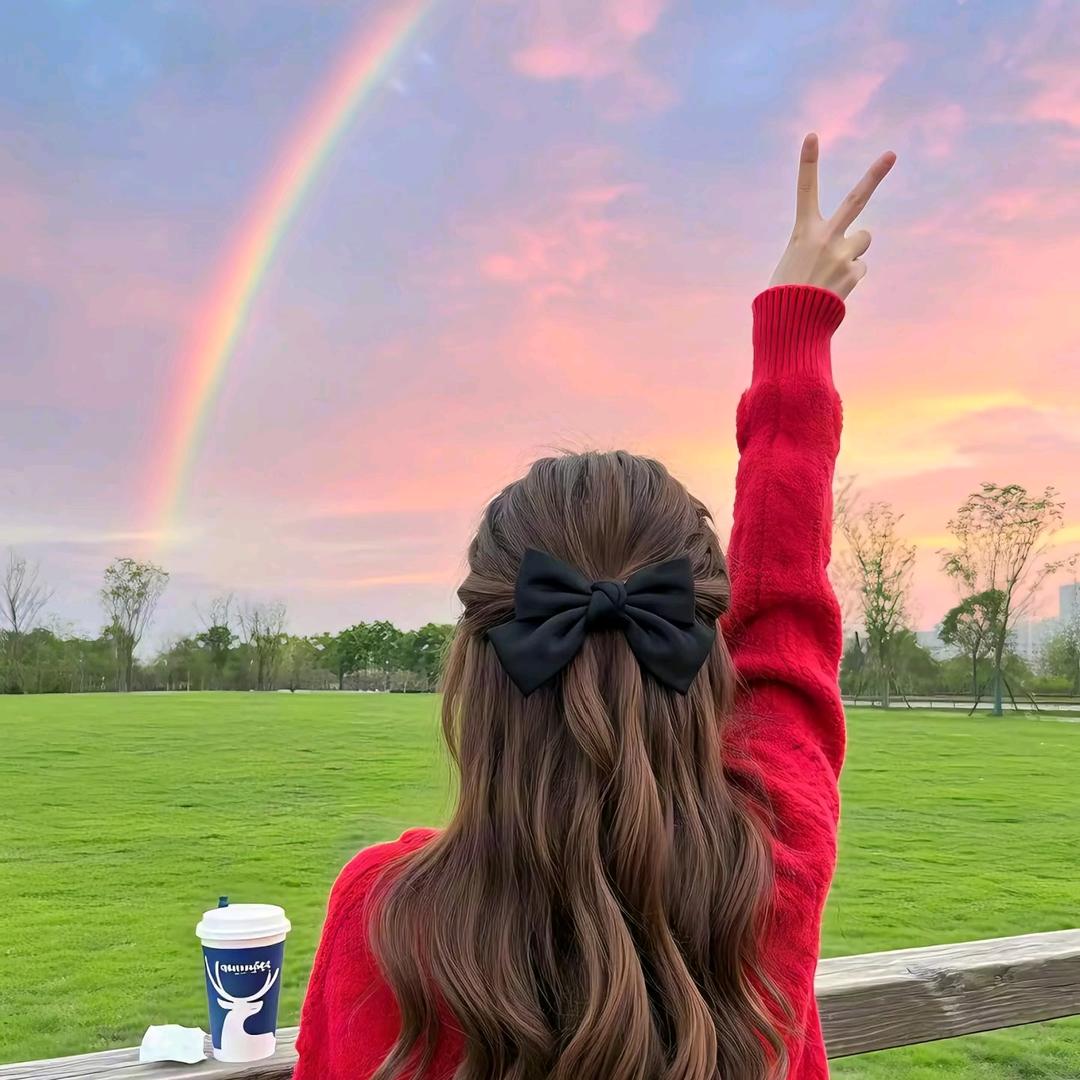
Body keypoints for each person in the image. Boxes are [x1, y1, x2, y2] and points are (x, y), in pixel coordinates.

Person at [293, 132, 897, 1080]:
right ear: (699, 645)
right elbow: (788, 612)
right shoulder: (767, 875)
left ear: (478, 672)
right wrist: (795, 332)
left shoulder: (382, 915)